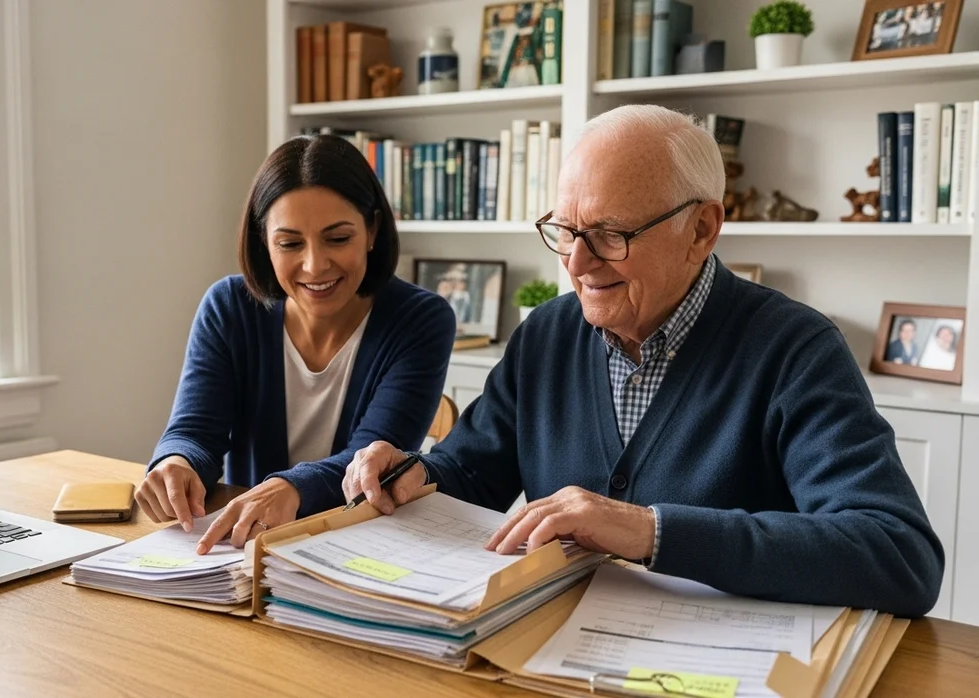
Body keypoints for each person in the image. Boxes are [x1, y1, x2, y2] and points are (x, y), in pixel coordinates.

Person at [343, 104, 944, 617]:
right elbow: (473, 473)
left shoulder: (796, 349)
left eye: (610, 234)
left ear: (701, 229)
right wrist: (416, 475)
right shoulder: (546, 334)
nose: (576, 263)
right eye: (565, 230)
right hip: (551, 653)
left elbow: (898, 555)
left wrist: (650, 530)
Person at [136, 134, 457, 554]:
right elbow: (194, 432)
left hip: (356, 546)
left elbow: (371, 463)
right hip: (244, 547)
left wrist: (290, 487)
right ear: (264, 242)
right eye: (289, 244)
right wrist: (175, 461)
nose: (314, 265)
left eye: (337, 239)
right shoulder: (229, 307)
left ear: (372, 229)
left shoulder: (421, 319)